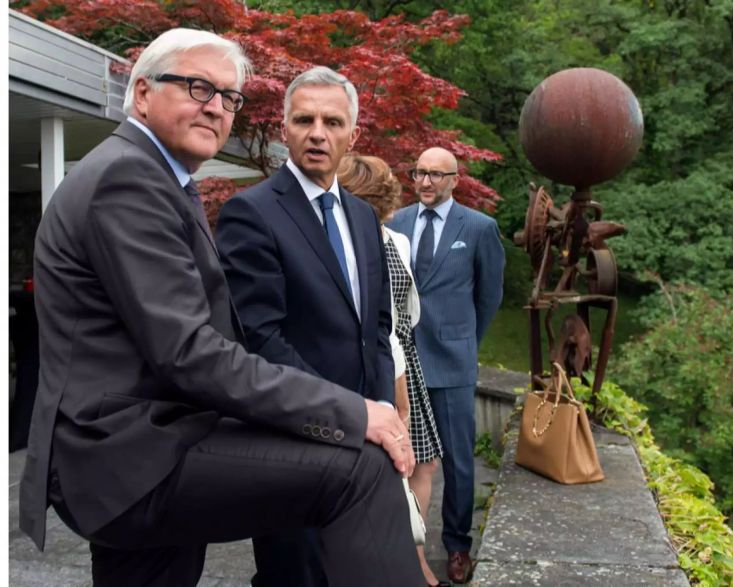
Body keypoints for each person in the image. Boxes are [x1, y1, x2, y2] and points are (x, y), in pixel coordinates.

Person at [18, 28, 420, 587]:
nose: (217, 107)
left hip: (145, 447)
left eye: (229, 97)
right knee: (361, 469)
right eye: (197, 87)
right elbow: (193, 352)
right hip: (131, 455)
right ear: (140, 93)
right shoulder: (127, 179)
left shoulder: (158, 178)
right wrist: (351, 413)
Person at [215, 67, 397, 587]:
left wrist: (381, 410)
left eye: (332, 121)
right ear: (284, 129)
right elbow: (261, 339)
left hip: (367, 438)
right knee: (295, 574)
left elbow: (377, 328)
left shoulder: (363, 217)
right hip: (297, 440)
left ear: (352, 136)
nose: (318, 132)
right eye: (305, 119)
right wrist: (349, 414)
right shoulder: (250, 213)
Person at [387, 147, 505, 584]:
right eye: (419, 173)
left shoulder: (479, 228)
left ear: (456, 179)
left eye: (437, 175)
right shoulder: (395, 222)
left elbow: (489, 297)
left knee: (458, 460)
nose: (426, 182)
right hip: (403, 362)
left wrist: (465, 339)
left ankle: (457, 545)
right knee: (405, 458)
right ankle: (405, 543)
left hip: (453, 360)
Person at [337, 154, 447, 586]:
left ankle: (414, 552)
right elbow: (379, 324)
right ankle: (407, 563)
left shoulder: (395, 241)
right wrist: (397, 391)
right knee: (399, 466)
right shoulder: (354, 246)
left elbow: (406, 311)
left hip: (408, 361)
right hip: (388, 369)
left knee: (425, 462)